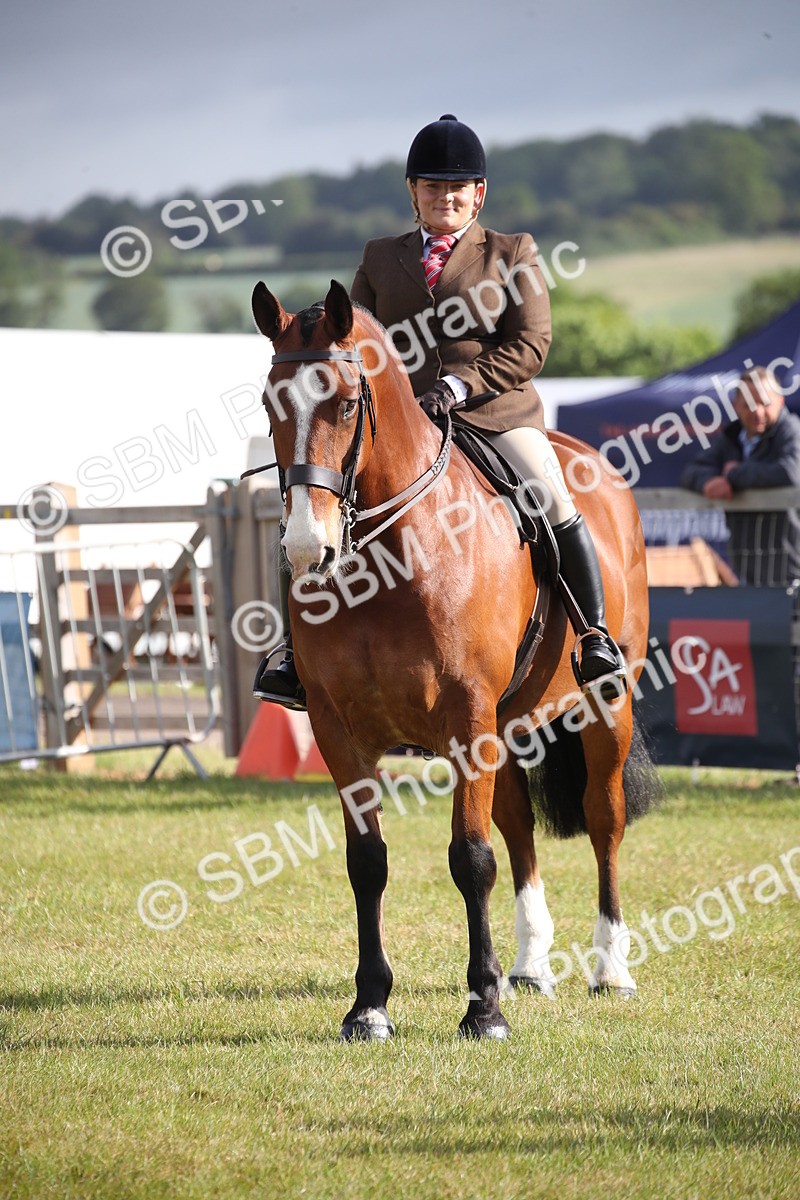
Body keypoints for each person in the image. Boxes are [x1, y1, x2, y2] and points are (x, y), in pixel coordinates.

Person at [256, 114, 626, 707]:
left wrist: (457, 387)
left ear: (478, 194)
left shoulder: (512, 252)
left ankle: (594, 634)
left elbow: (530, 345)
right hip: (402, 427)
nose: (445, 197)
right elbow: (352, 341)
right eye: (432, 187)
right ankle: (294, 656)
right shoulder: (380, 257)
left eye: (457, 188)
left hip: (494, 417)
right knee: (307, 517)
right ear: (413, 193)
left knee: (550, 494)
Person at [680, 366, 800, 586]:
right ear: (736, 406)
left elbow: (791, 472)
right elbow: (691, 471)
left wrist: (734, 475)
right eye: (749, 404)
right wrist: (709, 482)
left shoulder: (791, 431)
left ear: (780, 401)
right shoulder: (731, 437)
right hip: (746, 566)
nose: (758, 412)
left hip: (790, 566)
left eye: (765, 403)